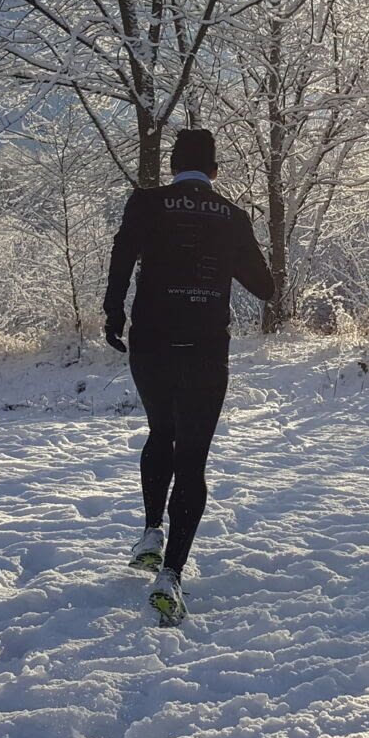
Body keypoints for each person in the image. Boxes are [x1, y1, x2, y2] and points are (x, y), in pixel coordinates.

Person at [102, 128, 274, 625]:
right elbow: (263, 288)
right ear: (215, 172)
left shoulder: (146, 202)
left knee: (162, 432)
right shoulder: (233, 217)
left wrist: (114, 313)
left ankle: (152, 530)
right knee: (192, 456)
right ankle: (171, 576)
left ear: (173, 166)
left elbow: (121, 259)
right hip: (204, 347)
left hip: (151, 340)